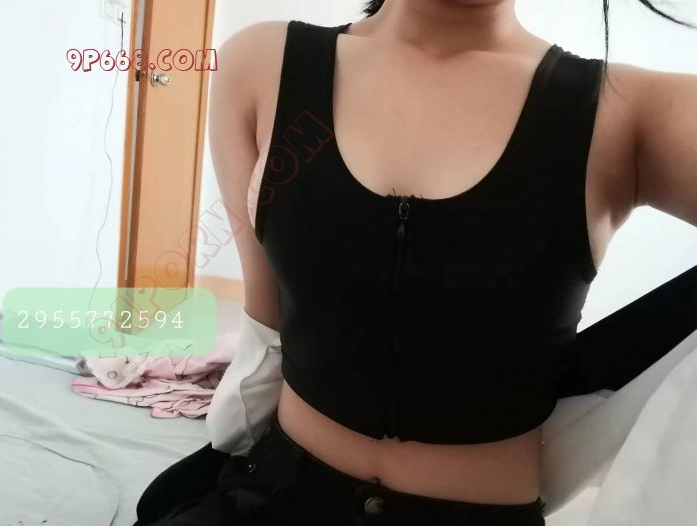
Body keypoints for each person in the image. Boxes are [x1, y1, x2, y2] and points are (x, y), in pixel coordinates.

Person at [134, 1, 697, 524]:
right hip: (275, 493)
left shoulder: (627, 110)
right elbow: (268, 325)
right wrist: (229, 435)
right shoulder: (262, 64)